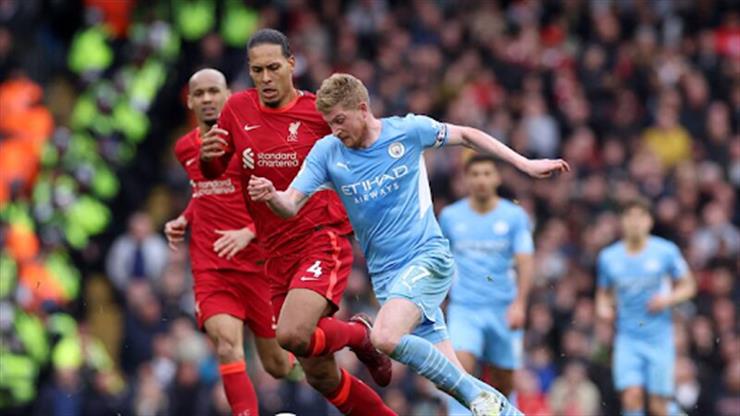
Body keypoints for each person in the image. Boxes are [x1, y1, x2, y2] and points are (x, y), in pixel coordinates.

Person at [248, 73, 569, 416]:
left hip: (427, 259)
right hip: (388, 279)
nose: (335, 130)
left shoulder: (407, 131)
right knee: (451, 379)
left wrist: (525, 163)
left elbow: (466, 135)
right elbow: (290, 203)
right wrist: (271, 196)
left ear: (362, 109)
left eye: (340, 120)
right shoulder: (328, 152)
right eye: (329, 123)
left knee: (384, 337)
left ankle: (476, 396)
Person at [198, 31, 394, 416]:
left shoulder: (317, 113)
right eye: (257, 70)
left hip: (320, 238)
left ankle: (360, 336)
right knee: (320, 375)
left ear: (291, 64)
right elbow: (216, 168)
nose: (266, 78)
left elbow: (367, 146)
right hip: (274, 253)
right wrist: (208, 158)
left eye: (273, 67)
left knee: (290, 334)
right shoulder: (237, 109)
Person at [164, 68, 297, 416]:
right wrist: (184, 218)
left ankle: (317, 352)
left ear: (228, 96)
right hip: (212, 268)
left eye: (214, 91)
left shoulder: (253, 143)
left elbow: (280, 197)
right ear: (190, 101)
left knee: (277, 366)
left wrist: (249, 231)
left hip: (257, 266)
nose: (207, 99)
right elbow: (203, 192)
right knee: (226, 346)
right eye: (200, 93)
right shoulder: (184, 148)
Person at [439, 156, 533, 415]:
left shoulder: (514, 216)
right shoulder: (450, 217)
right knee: (460, 368)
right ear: (466, 179)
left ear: (497, 178)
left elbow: (525, 261)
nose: (481, 179)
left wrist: (520, 304)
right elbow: (439, 260)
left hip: (503, 308)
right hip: (465, 308)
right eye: (475, 174)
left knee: (504, 380)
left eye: (487, 173)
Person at [596, 197, 697, 416]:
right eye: (629, 217)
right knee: (631, 397)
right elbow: (603, 294)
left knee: (658, 406)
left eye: (640, 217)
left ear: (649, 221)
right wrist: (603, 309)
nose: (635, 222)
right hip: (627, 338)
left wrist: (667, 299)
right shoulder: (608, 257)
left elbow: (689, 285)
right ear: (622, 221)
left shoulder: (666, 251)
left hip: (659, 338)